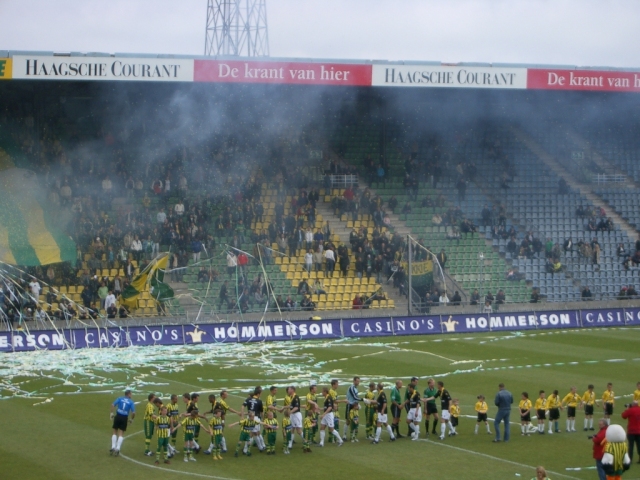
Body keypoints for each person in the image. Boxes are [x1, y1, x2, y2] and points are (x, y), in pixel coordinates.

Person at [110, 389, 136, 456]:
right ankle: (118, 448)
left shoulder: (120, 398)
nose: (132, 395)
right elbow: (133, 412)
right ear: (129, 394)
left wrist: (111, 413)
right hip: (124, 418)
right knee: (121, 433)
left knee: (114, 431)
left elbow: (113, 405)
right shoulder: (131, 402)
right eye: (131, 393)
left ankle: (113, 447)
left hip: (118, 416)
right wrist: (131, 419)